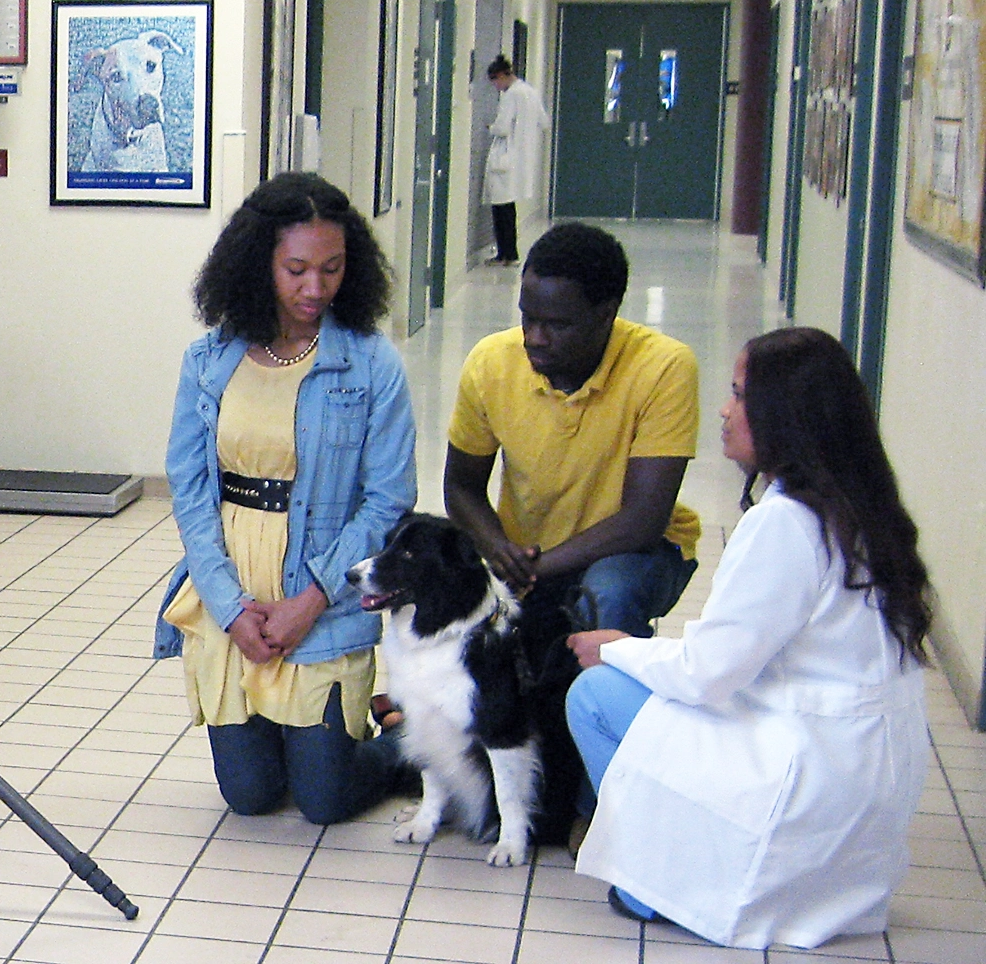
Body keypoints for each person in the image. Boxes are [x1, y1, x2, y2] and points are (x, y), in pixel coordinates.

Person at [566, 327, 932, 950]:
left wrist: (616, 647)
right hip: (860, 782)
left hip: (810, 780)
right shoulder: (864, 506)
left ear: (786, 416)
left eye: (739, 395)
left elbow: (708, 673)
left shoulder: (785, 523)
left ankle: (654, 881)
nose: (724, 410)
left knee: (597, 693)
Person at [154, 172, 417, 825]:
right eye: (296, 269)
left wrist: (312, 600)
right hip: (232, 587)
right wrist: (226, 604)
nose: (315, 289)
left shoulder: (371, 363)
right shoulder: (209, 360)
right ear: (257, 263)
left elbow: (388, 499)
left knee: (324, 803)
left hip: (322, 590)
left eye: (332, 269)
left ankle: (402, 747)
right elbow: (188, 489)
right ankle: (290, 736)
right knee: (250, 797)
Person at [445, 221, 700, 640]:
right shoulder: (490, 362)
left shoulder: (664, 367)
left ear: (606, 314)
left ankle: (606, 702)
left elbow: (643, 521)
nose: (535, 338)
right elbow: (462, 487)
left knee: (607, 592)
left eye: (558, 325)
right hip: (526, 552)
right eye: (527, 318)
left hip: (638, 552)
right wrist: (501, 553)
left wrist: (536, 571)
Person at [483, 55, 549, 265]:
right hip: (521, 158)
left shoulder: (511, 95)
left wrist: (490, 128)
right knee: (508, 207)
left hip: (505, 157)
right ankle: (508, 253)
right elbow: (544, 123)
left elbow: (502, 127)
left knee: (501, 209)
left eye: (495, 81)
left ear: (502, 75)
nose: (495, 86)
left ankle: (507, 253)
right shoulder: (531, 92)